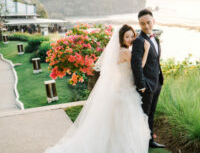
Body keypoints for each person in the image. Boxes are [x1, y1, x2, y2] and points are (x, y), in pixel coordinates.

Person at [45, 24, 151, 153]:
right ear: (121, 39)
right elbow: (139, 67)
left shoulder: (118, 51)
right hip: (125, 91)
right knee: (125, 122)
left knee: (117, 123)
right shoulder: (125, 52)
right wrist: (146, 50)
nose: (130, 39)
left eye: (132, 36)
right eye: (127, 36)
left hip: (121, 88)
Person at [131, 9, 165, 149]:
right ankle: (141, 142)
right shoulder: (139, 41)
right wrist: (142, 85)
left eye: (148, 22)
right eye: (142, 23)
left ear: (153, 21)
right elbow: (136, 66)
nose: (146, 26)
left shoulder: (155, 39)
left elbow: (155, 60)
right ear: (139, 24)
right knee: (144, 115)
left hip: (157, 82)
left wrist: (159, 79)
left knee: (151, 113)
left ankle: (150, 140)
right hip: (146, 85)